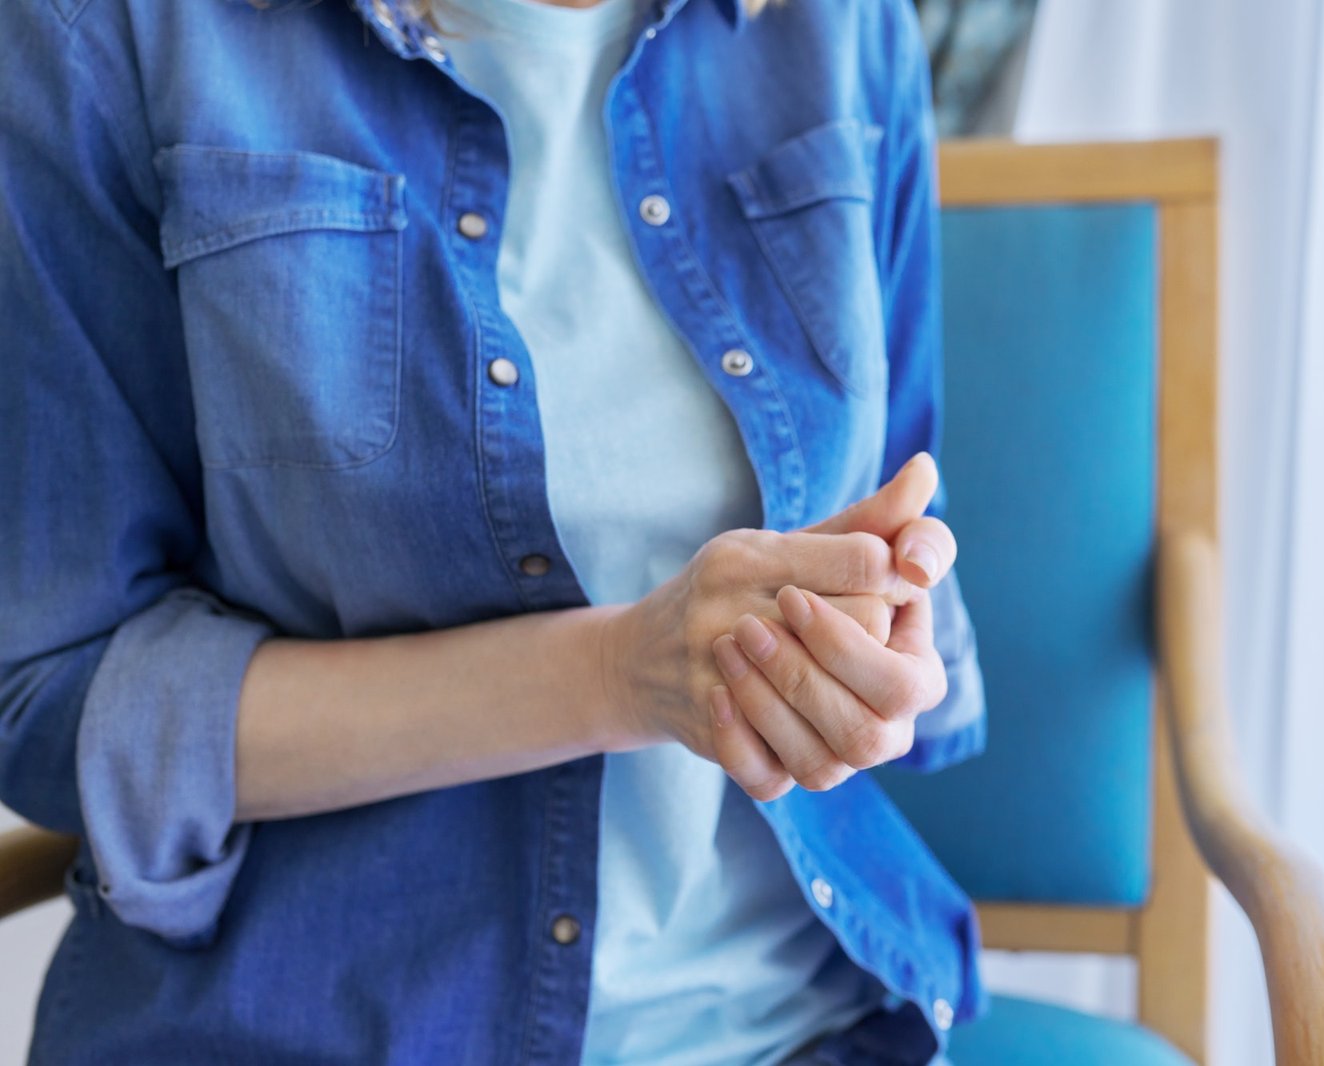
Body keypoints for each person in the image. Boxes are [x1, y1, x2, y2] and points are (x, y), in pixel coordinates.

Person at [0, 0, 987, 1061]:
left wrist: (871, 639)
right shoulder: (102, 34)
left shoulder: (841, 27)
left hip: (800, 1023)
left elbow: (899, 510)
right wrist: (615, 671)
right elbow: (54, 696)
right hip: (310, 1026)